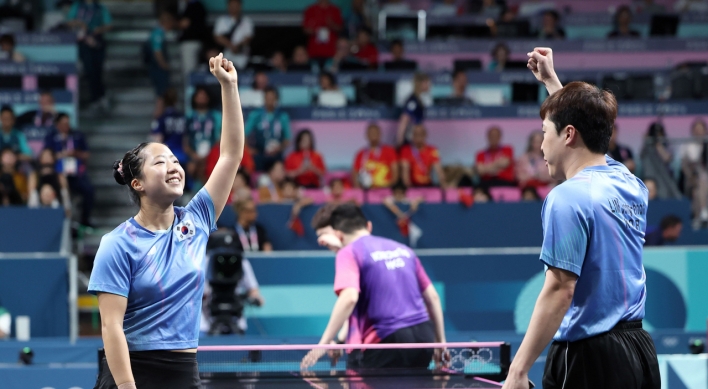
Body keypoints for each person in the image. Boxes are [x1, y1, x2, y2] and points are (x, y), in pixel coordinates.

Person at [501, 47, 660, 389]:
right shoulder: (631, 184)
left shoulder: (566, 198)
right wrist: (552, 83)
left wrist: (518, 370)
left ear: (568, 135)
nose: (542, 146)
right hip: (639, 352)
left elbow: (560, 288)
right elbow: (592, 135)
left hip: (590, 358)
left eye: (545, 133)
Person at [88, 53, 244, 389]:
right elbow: (110, 327)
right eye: (160, 162)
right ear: (137, 183)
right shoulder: (118, 244)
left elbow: (230, 154)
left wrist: (229, 87)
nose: (173, 166)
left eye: (175, 159)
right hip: (130, 370)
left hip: (184, 369)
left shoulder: (198, 219)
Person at [301, 203, 446, 370]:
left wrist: (323, 345)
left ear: (339, 235)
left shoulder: (348, 253)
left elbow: (349, 298)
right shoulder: (404, 249)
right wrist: (440, 341)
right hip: (424, 336)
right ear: (368, 226)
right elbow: (433, 297)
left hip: (387, 339)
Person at [44, 114, 94, 226]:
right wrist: (62, 155)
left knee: (89, 191)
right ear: (57, 124)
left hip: (76, 174)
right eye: (63, 123)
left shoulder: (77, 135)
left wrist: (75, 153)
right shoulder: (51, 137)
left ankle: (85, 221)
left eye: (67, 123)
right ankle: (55, 222)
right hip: (57, 174)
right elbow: (46, 155)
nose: (66, 126)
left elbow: (87, 154)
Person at [66, 0, 113, 111]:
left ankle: (101, 96)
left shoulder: (100, 7)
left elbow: (109, 24)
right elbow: (68, 22)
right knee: (90, 70)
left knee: (98, 70)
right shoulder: (77, 6)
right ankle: (96, 98)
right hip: (83, 41)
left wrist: (99, 29)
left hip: (97, 41)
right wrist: (80, 24)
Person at [244, 86, 292, 172]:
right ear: (264, 98)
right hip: (260, 153)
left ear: (276, 99)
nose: (270, 100)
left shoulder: (283, 116)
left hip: (276, 154)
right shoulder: (255, 115)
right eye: (268, 98)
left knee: (279, 171)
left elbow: (287, 139)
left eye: (272, 98)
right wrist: (249, 149)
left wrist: (280, 148)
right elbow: (244, 134)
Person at [184, 87, 222, 184]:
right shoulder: (189, 117)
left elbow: (219, 139)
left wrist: (208, 155)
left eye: (203, 97)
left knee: (209, 166)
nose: (201, 100)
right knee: (191, 168)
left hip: (212, 153)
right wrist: (193, 155)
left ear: (208, 99)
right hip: (194, 154)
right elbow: (185, 142)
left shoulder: (216, 116)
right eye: (199, 97)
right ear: (194, 99)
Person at [679, 118, 708, 229]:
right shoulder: (688, 145)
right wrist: (691, 175)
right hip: (691, 179)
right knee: (699, 184)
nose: (698, 132)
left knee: (700, 188)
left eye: (701, 129)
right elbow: (684, 166)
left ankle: (699, 216)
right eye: (696, 129)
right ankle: (703, 213)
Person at [352, 123, 399, 189]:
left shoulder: (390, 151)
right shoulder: (360, 154)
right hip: (366, 192)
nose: (373, 135)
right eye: (371, 133)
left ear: (380, 134)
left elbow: (395, 174)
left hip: (386, 190)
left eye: (375, 133)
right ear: (366, 135)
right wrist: (360, 191)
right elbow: (355, 175)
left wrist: (389, 188)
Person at [147, 11, 176, 117]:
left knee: (163, 94)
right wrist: (164, 65)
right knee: (161, 94)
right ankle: (158, 116)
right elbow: (157, 51)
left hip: (157, 68)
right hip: (158, 68)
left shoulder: (159, 33)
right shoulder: (158, 33)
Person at [27, 148, 71, 215]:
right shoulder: (35, 175)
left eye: (49, 156)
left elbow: (64, 192)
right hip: (39, 205)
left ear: (53, 159)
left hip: (56, 204)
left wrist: (67, 208)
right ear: (41, 159)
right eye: (45, 156)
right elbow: (31, 193)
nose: (47, 158)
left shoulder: (59, 175)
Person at [213, 0, 254, 69]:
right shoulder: (221, 20)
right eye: (231, 5)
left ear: (240, 6)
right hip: (225, 53)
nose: (233, 7)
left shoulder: (246, 21)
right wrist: (231, 46)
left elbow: (248, 37)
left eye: (235, 5)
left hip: (242, 54)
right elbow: (217, 37)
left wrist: (238, 46)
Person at [303, 0, 343, 68]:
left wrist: (332, 25)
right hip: (314, 52)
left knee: (330, 74)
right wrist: (314, 31)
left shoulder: (335, 10)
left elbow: (340, 28)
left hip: (331, 52)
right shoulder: (310, 10)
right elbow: (305, 29)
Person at [16, 91, 58, 155]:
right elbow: (14, 123)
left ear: (53, 103)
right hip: (30, 155)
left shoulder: (57, 118)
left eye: (47, 101)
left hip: (49, 155)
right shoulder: (29, 115)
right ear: (39, 102)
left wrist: (55, 116)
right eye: (42, 101)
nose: (45, 104)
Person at [397, 73, 430, 146]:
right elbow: (404, 119)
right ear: (420, 84)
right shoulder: (412, 101)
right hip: (411, 137)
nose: (429, 86)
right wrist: (400, 139)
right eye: (426, 83)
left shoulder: (419, 99)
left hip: (417, 135)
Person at [177, 0, 208, 78]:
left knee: (190, 72)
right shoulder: (183, 6)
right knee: (189, 71)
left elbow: (185, 23)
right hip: (192, 42)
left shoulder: (195, 6)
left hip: (191, 43)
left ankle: (191, 89)